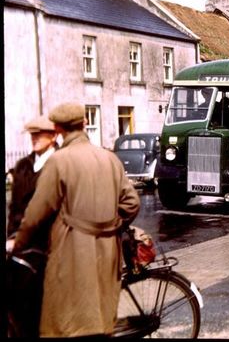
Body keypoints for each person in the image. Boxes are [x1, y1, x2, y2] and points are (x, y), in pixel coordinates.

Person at [11, 102, 140, 338]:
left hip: (71, 252)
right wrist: (110, 225)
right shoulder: (109, 158)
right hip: (108, 252)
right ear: (84, 124)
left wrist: (18, 244)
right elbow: (132, 203)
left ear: (58, 129)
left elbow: (36, 214)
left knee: (65, 323)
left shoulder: (58, 162)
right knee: (100, 320)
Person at [6, 115, 58, 338]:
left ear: (54, 136)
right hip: (22, 241)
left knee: (30, 302)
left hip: (47, 242)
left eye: (40, 134)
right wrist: (12, 238)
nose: (34, 138)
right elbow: (15, 209)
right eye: (32, 134)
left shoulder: (60, 163)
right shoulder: (23, 166)